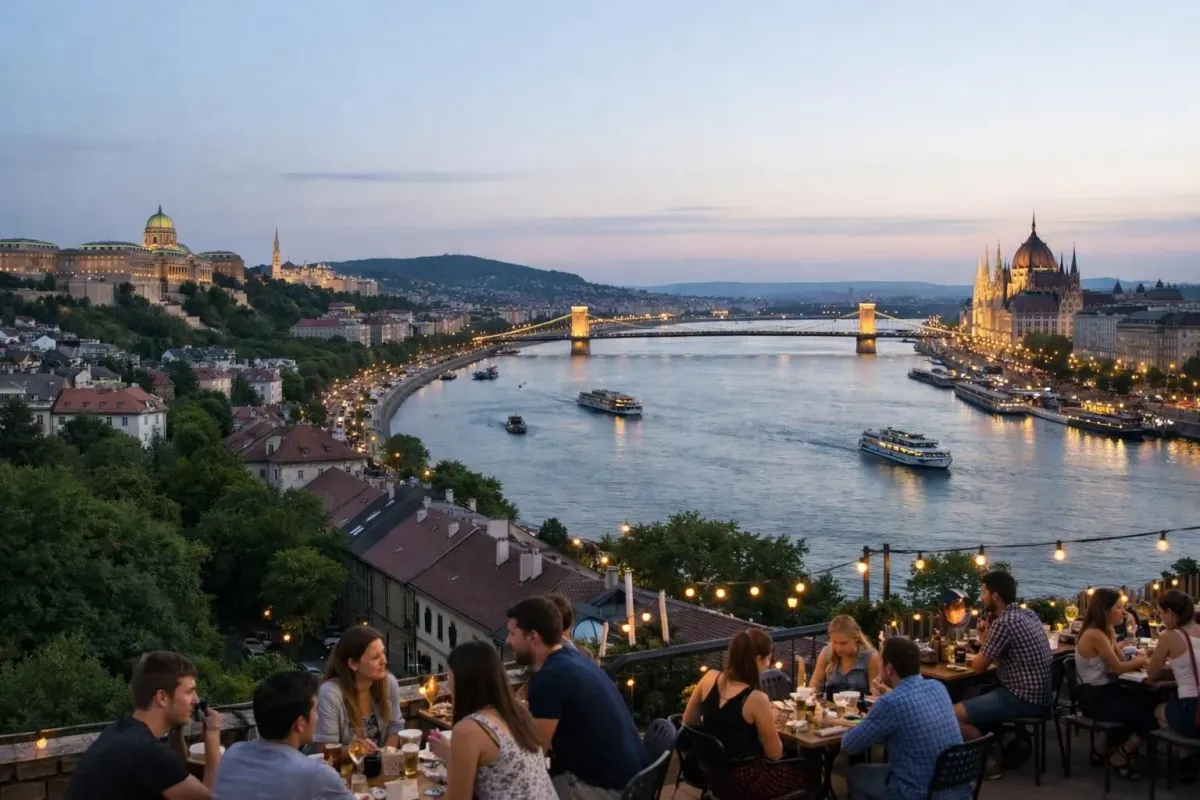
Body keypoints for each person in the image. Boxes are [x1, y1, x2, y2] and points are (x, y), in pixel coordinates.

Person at [506, 597, 646, 799]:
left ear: (532, 637)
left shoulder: (549, 678)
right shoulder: (576, 660)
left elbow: (533, 753)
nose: (509, 641)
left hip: (609, 789)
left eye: (513, 634)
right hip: (635, 781)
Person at [65, 651, 221, 800]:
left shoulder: (119, 731)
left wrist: (176, 728)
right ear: (162, 697)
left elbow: (175, 773)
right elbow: (212, 798)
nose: (196, 701)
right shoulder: (149, 752)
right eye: (189, 692)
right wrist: (213, 734)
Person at [681, 629, 806, 798]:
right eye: (769, 658)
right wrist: (770, 720)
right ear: (758, 659)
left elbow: (688, 720)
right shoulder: (756, 698)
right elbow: (775, 754)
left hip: (712, 775)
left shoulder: (709, 678)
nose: (769, 664)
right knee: (808, 773)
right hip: (745, 781)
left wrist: (719, 723)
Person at [428, 640, 557, 800]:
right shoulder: (518, 713)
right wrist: (451, 754)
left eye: (449, 676)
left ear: (465, 681)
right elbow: (500, 769)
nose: (447, 685)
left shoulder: (469, 729)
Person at [842, 637, 966, 800]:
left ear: (889, 669)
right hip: (957, 789)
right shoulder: (938, 687)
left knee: (855, 773)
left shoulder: (890, 703)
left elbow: (850, 746)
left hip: (918, 793)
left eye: (880, 661)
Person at [213, 671, 353, 799]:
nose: (318, 717)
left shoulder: (232, 754)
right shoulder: (316, 773)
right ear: (300, 723)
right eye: (316, 710)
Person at [955, 571, 1052, 740]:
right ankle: (995, 741)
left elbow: (978, 667)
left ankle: (988, 756)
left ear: (995, 596)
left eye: (983, 593)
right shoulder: (1028, 614)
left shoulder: (1005, 622)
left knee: (951, 715)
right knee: (974, 694)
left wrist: (981, 645)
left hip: (1022, 698)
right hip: (1042, 696)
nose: (981, 597)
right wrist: (987, 640)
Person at [1072, 588, 1155, 777]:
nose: (1123, 612)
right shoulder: (1095, 634)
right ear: (1105, 610)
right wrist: (1141, 661)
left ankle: (1102, 750)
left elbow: (1121, 661)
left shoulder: (1106, 631)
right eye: (1119, 607)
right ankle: (1121, 756)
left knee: (1148, 697)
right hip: (1094, 698)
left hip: (1107, 690)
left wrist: (1130, 642)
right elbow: (1118, 668)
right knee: (1148, 712)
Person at [314, 626, 403, 751]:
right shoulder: (330, 694)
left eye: (383, 653)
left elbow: (396, 726)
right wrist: (356, 750)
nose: (384, 661)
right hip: (343, 769)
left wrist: (386, 755)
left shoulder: (389, 683)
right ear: (353, 664)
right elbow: (326, 748)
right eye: (375, 657)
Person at [1148, 590, 1200, 738]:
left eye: (1161, 614)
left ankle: (1186, 756)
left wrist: (1160, 668)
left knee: (1158, 711)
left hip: (1192, 709)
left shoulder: (1168, 637)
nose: (1161, 618)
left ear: (1170, 613)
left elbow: (1152, 673)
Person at [809, 615, 882, 698]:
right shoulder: (826, 652)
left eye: (843, 643)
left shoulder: (871, 657)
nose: (839, 648)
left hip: (859, 708)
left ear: (856, 638)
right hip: (831, 708)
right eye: (835, 642)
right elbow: (815, 684)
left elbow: (875, 694)